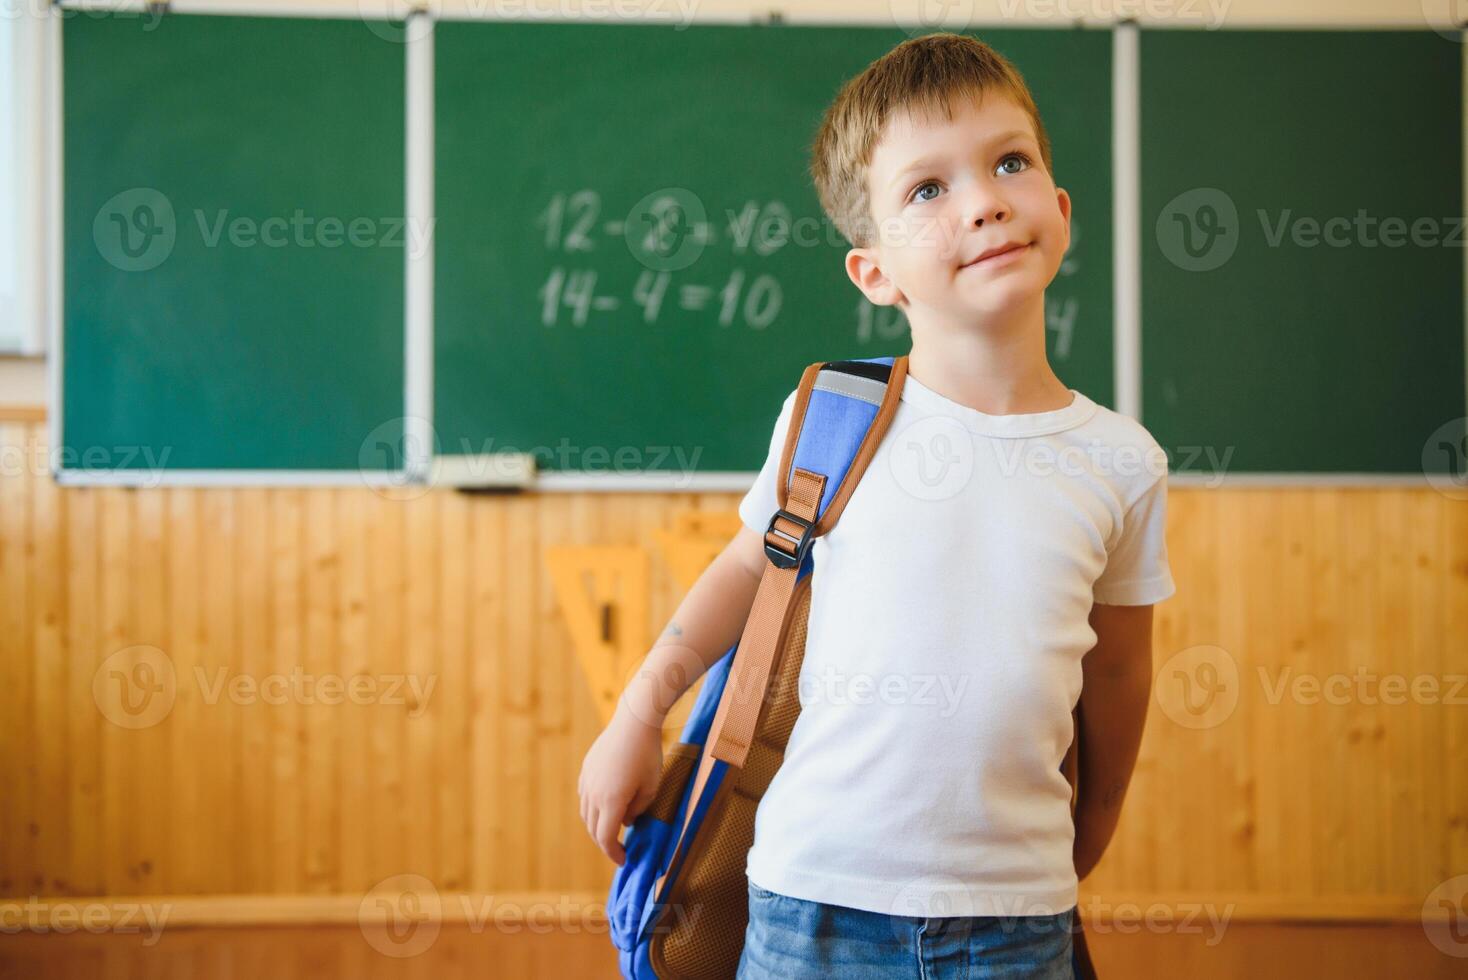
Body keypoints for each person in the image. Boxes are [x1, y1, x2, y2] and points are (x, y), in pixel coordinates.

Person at [579, 31, 1175, 979]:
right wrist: (636, 713)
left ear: (1057, 212)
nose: (983, 201)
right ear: (876, 273)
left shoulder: (1120, 461)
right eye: (926, 190)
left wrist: (1088, 836)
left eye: (1009, 162)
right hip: (808, 905)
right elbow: (745, 573)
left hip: (1018, 920)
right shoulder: (831, 416)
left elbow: (1120, 680)